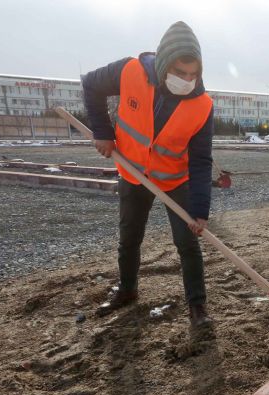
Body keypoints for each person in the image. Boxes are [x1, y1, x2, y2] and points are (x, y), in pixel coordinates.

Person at [82, 21, 214, 329]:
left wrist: (199, 210)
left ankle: (198, 307)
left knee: (187, 243)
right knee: (129, 238)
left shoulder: (202, 105)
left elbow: (201, 160)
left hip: (174, 180)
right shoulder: (131, 71)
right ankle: (127, 290)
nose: (187, 80)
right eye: (181, 73)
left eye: (193, 74)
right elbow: (90, 84)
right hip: (132, 172)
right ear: (165, 63)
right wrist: (102, 132)